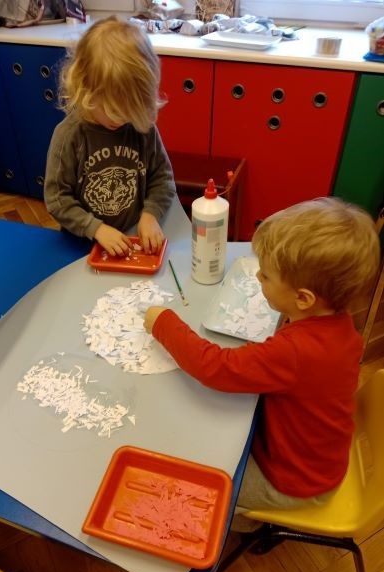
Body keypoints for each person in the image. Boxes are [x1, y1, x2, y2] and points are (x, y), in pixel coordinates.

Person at [144, 197, 380, 530]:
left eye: (266, 276)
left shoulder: (296, 351)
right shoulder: (339, 324)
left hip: (293, 482)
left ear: (303, 298)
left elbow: (214, 367)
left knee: (195, 485)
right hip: (320, 459)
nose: (257, 276)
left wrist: (162, 323)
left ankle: (240, 522)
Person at [44, 16, 176, 256]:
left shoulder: (140, 126)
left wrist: (150, 214)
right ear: (86, 89)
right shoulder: (69, 136)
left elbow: (162, 179)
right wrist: (96, 228)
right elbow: (57, 199)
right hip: (81, 245)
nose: (123, 119)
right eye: (114, 110)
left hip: (133, 238)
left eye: (131, 111)